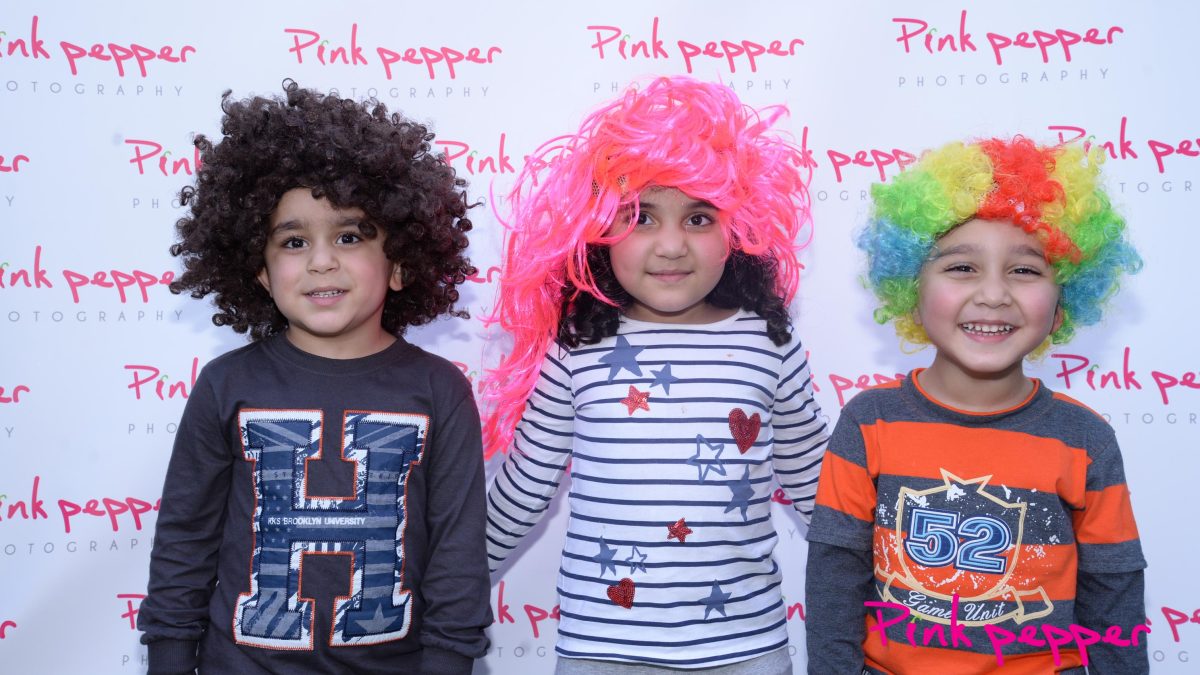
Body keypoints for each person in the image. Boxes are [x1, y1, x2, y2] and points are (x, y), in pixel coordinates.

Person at [137, 80, 491, 674]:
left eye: (349, 236)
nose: (321, 260)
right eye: (294, 241)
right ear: (259, 271)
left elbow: (456, 557)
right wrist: (169, 656)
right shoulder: (226, 386)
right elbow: (184, 542)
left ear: (401, 262)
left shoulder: (440, 392)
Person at [482, 76, 828, 673]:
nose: (671, 246)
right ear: (596, 230)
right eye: (640, 217)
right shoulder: (579, 343)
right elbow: (524, 489)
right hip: (600, 652)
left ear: (739, 230)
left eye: (699, 218)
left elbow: (819, 485)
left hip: (745, 650)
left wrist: (905, 572)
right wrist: (442, 588)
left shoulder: (768, 341)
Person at [806, 137, 1147, 673]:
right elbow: (834, 579)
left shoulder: (1085, 439)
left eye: (1026, 270)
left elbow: (1115, 596)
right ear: (910, 288)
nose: (993, 295)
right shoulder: (869, 422)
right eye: (962, 268)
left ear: (1063, 302)